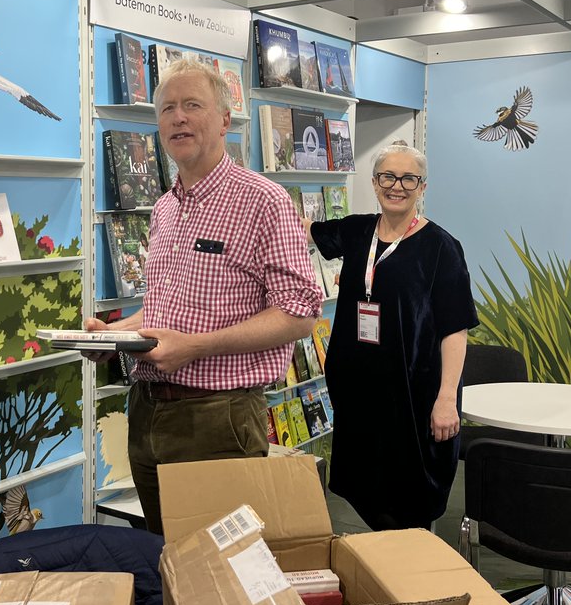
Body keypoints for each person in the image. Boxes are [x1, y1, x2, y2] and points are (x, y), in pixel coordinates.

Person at [86, 59, 322, 535]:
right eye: (168, 108)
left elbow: (301, 313)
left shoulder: (263, 200)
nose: (178, 118)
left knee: (221, 575)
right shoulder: (165, 207)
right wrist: (117, 333)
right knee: (166, 561)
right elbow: (164, 310)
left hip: (220, 418)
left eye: (193, 105)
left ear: (224, 121)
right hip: (148, 411)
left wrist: (196, 346)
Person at [305, 142, 477, 531]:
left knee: (409, 505)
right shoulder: (356, 230)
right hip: (360, 396)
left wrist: (447, 399)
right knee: (368, 495)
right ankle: (380, 575)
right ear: (374, 181)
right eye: (388, 177)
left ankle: (410, 579)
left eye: (408, 178)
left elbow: (455, 329)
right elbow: (303, 231)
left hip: (413, 401)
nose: (396, 186)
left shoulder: (442, 248)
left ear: (422, 187)